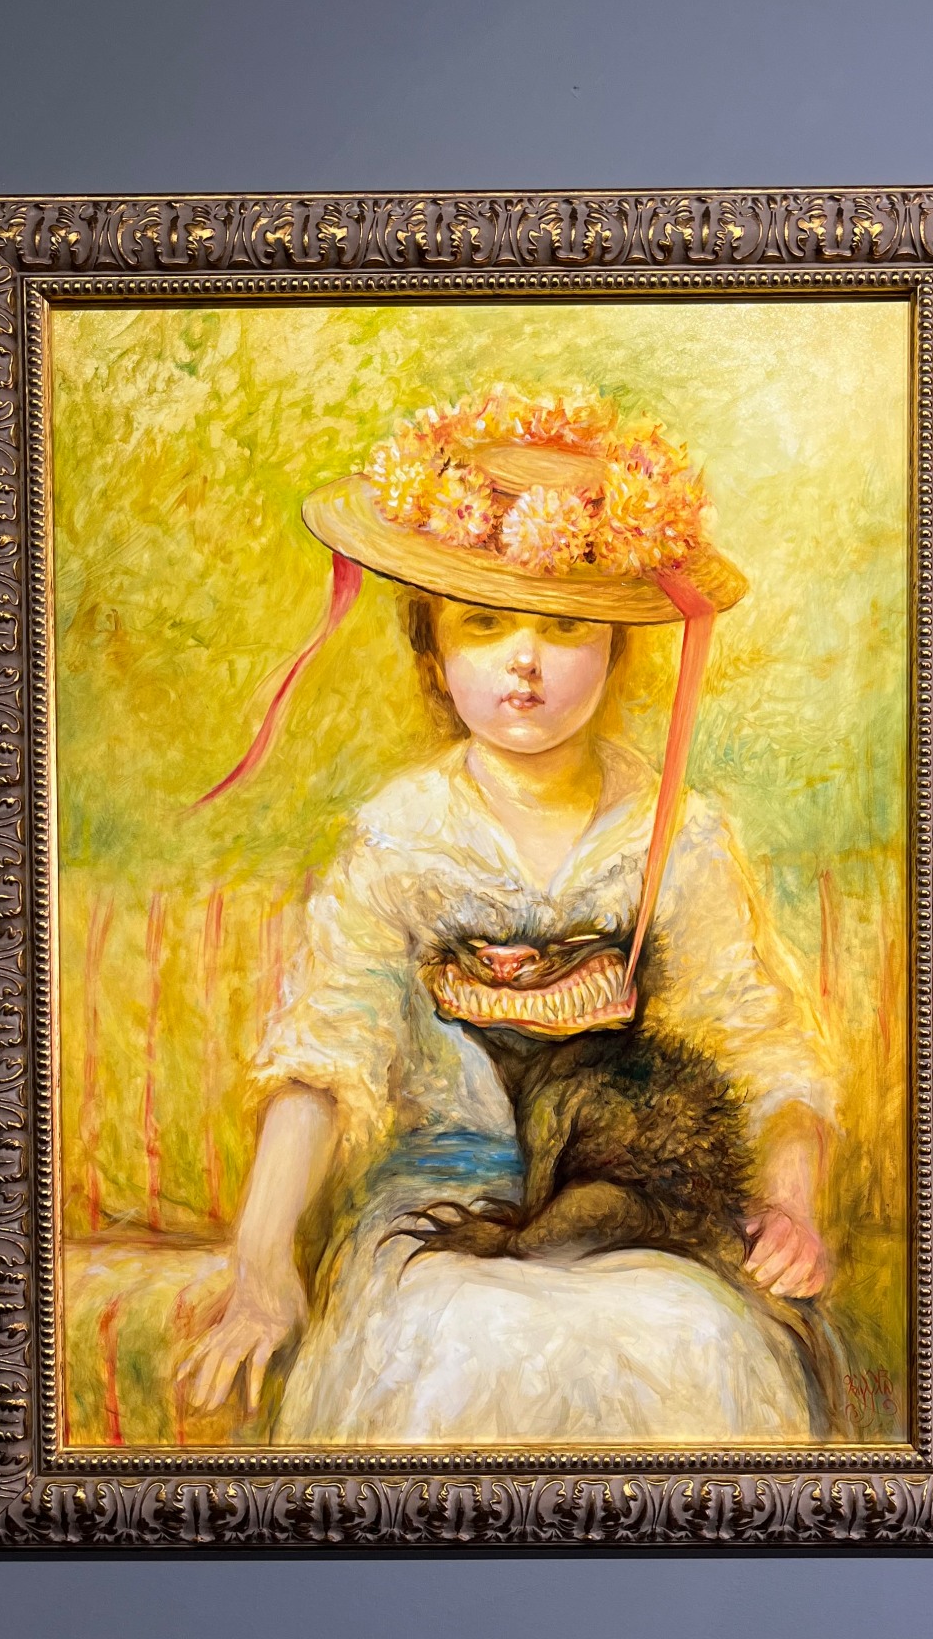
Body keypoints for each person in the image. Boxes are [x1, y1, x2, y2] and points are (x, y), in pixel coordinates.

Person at [181, 391, 836, 1444]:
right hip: (440, 1201)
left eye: (565, 627)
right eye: (484, 625)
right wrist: (261, 1268)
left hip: (633, 1208)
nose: (524, 660)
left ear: (614, 652)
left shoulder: (680, 832)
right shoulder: (401, 834)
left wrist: (790, 1199)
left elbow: (759, 1046)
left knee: (689, 1332)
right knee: (462, 1333)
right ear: (434, 655)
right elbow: (323, 1059)